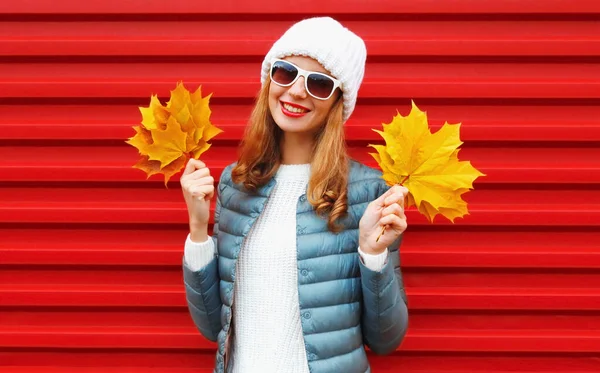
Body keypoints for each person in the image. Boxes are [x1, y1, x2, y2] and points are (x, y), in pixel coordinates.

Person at [180, 16, 409, 373]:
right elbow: (213, 328)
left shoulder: (368, 192)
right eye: (286, 73)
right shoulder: (234, 185)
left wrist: (373, 255)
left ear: (337, 102)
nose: (297, 92)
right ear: (269, 79)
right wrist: (198, 230)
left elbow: (386, 338)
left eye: (318, 83)